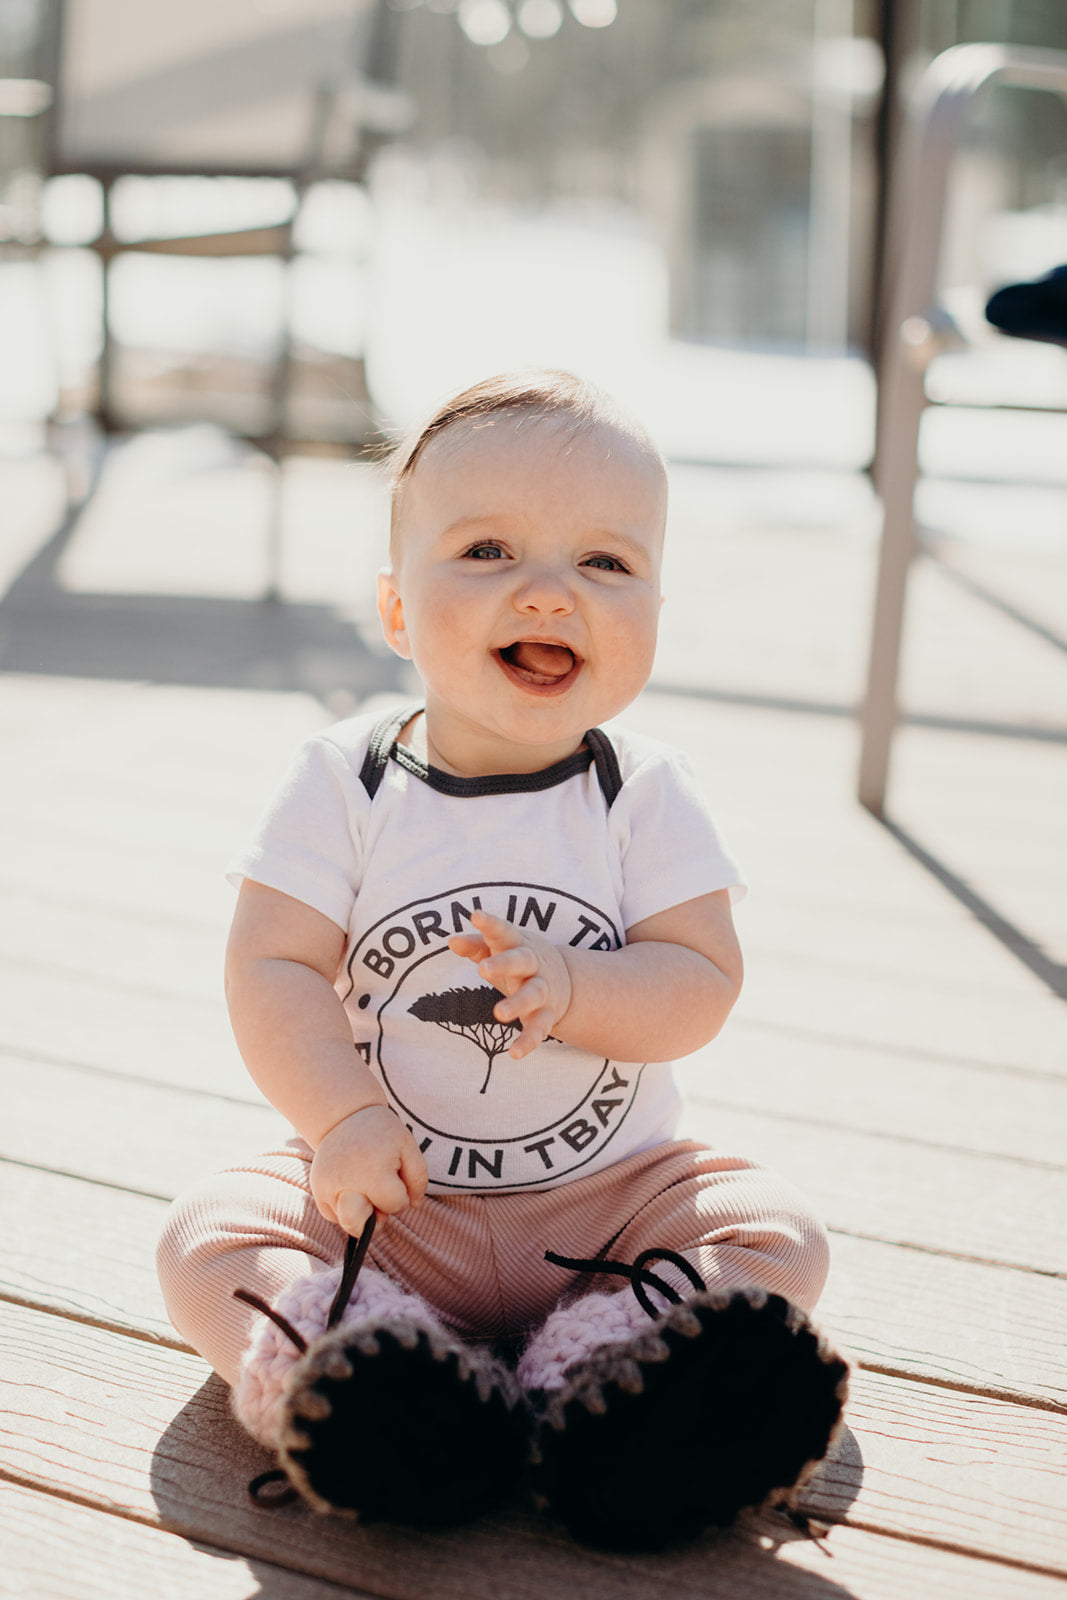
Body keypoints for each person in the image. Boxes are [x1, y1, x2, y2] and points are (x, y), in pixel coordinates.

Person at [157, 369, 848, 1550]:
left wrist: (582, 988)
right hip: (391, 1200)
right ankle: (364, 1372)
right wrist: (337, 1117)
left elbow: (699, 980)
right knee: (208, 1238)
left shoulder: (641, 793)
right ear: (392, 609)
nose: (547, 589)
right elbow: (269, 965)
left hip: (612, 1199)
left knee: (774, 1234)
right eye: (486, 550)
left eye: (605, 563)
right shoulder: (346, 781)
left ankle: (608, 1372)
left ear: (655, 613)